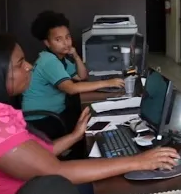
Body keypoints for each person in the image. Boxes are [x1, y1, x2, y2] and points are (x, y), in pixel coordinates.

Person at [0, 32, 180, 194]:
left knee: (109, 185)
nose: (29, 66)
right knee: (121, 192)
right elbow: (54, 170)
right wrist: (139, 161)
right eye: (20, 63)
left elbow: (37, 157)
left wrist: (74, 136)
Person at [21, 10, 124, 143]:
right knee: (91, 123)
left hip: (54, 114)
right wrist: (108, 83)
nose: (66, 43)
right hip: (41, 120)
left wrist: (75, 56)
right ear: (47, 43)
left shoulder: (60, 59)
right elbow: (71, 88)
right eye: (58, 39)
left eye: (67, 37)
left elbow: (82, 76)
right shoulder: (48, 61)